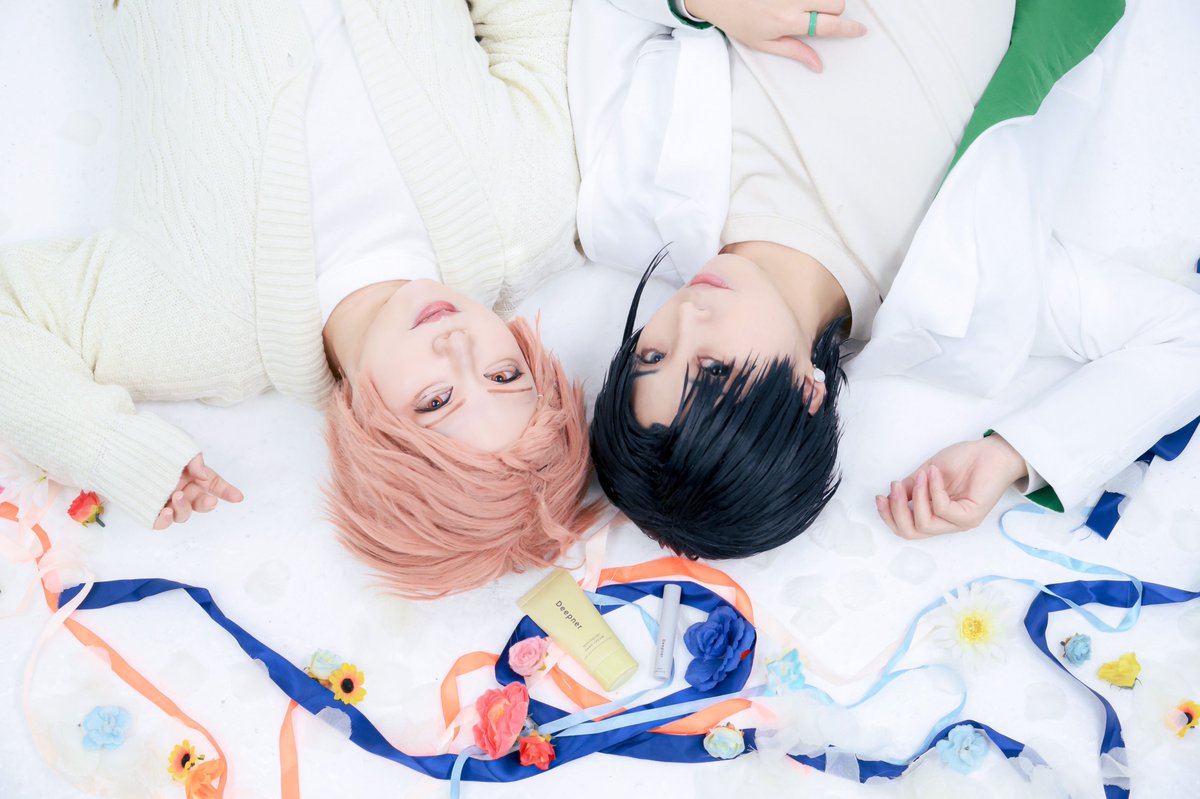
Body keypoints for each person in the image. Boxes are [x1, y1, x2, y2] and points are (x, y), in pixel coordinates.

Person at [0, 0, 599, 597]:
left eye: (436, 399)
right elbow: (534, 22)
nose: (459, 346)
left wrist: (106, 446)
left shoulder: (201, 328)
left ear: (369, 432)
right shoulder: (533, 215)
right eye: (503, 374)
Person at [577, 0, 1200, 557]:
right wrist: (1014, 454)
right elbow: (1182, 340)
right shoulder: (963, 300)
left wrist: (695, 4)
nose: (686, 318)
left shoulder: (624, 208)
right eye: (712, 368)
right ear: (805, 391)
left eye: (653, 355)